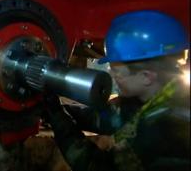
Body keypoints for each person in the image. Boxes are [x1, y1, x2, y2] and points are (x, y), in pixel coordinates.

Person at [44, 10, 190, 171]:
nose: (112, 75)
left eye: (117, 72)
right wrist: (59, 109)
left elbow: (95, 165)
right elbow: (107, 117)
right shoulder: (156, 96)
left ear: (146, 77)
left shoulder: (167, 132)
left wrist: (57, 118)